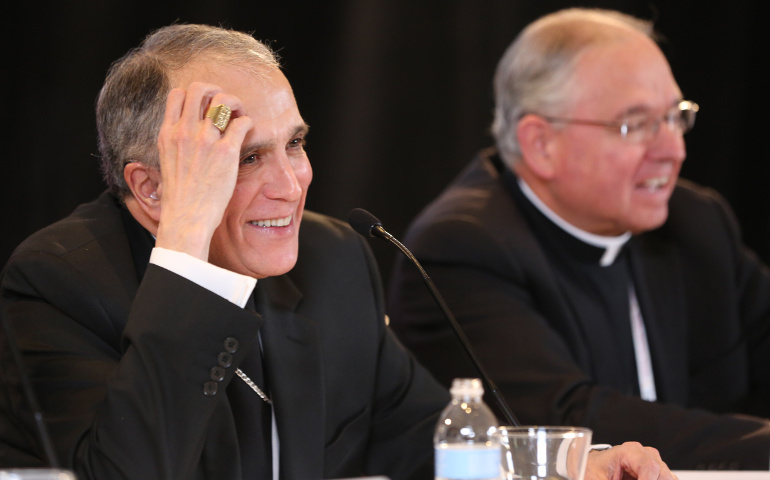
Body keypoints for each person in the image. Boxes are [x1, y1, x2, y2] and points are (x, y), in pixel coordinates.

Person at [0, 23, 675, 480]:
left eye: (294, 144)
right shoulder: (60, 282)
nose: (293, 182)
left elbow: (435, 443)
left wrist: (568, 468)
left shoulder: (333, 261)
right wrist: (188, 254)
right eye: (244, 156)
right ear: (149, 187)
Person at [388, 8, 770, 471]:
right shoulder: (460, 247)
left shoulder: (696, 220)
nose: (674, 149)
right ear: (541, 144)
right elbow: (565, 423)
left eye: (675, 117)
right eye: (635, 124)